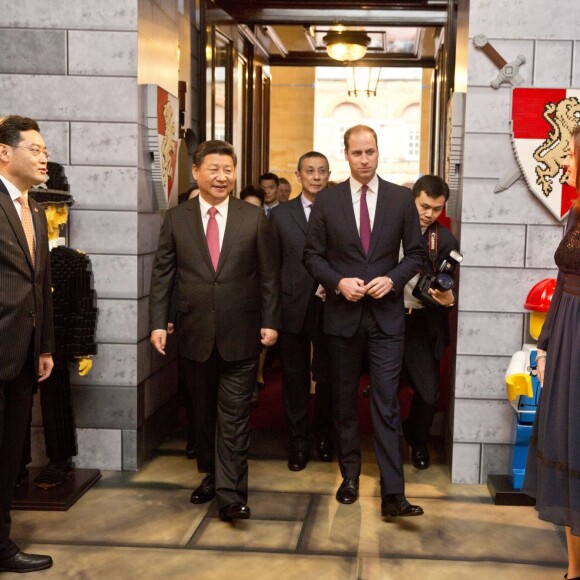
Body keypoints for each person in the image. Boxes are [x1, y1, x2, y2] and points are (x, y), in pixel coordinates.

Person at [149, 140, 280, 522]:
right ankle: (211, 473)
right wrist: (159, 322)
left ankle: (231, 494)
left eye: (228, 170)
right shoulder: (176, 218)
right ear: (196, 172)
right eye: (214, 169)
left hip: (242, 333)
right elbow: (163, 275)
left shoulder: (252, 218)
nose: (222, 177)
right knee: (203, 415)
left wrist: (271, 321)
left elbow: (270, 275)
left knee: (235, 416)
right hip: (193, 333)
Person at [303, 124, 425, 518]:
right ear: (347, 155)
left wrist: (392, 279)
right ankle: (350, 477)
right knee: (342, 402)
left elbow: (417, 255)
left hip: (387, 319)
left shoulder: (400, 198)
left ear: (378, 152)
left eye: (370, 151)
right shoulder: (329, 200)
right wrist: (338, 282)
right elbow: (312, 256)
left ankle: (394, 492)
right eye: (357, 153)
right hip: (342, 317)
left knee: (386, 404)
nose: (365, 159)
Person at [523, 125, 580, 580]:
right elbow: (562, 282)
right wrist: (543, 346)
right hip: (566, 337)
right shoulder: (575, 211)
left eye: (571, 154)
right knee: (566, 437)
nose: (563, 162)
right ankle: (573, 567)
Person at [0, 115, 54, 572]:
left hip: (22, 350)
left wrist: (45, 346)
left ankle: (1, 544)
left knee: (9, 453)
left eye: (44, 151)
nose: (43, 157)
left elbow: (41, 284)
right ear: (4, 151)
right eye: (34, 149)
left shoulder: (34, 209)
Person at [20, 166, 97, 488]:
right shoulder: (17, 252)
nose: (53, 214)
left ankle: (61, 458)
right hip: (19, 337)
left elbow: (84, 306)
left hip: (60, 338)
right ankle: (16, 462)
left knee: (56, 401)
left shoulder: (73, 260)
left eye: (58, 207)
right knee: (16, 404)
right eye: (44, 205)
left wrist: (82, 349)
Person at [270, 151, 333, 471]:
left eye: (322, 171)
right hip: (292, 305)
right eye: (310, 171)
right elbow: (272, 265)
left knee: (328, 376)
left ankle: (324, 436)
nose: (317, 177)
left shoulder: (340, 211)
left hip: (331, 304)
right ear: (298, 176)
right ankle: (298, 442)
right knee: (294, 378)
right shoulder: (281, 216)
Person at [401, 175, 458, 470]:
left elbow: (450, 288)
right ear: (413, 199)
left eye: (436, 209)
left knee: (427, 392)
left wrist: (448, 299)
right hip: (386, 320)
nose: (429, 214)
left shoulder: (444, 240)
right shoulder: (392, 228)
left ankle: (417, 438)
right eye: (424, 206)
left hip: (422, 324)